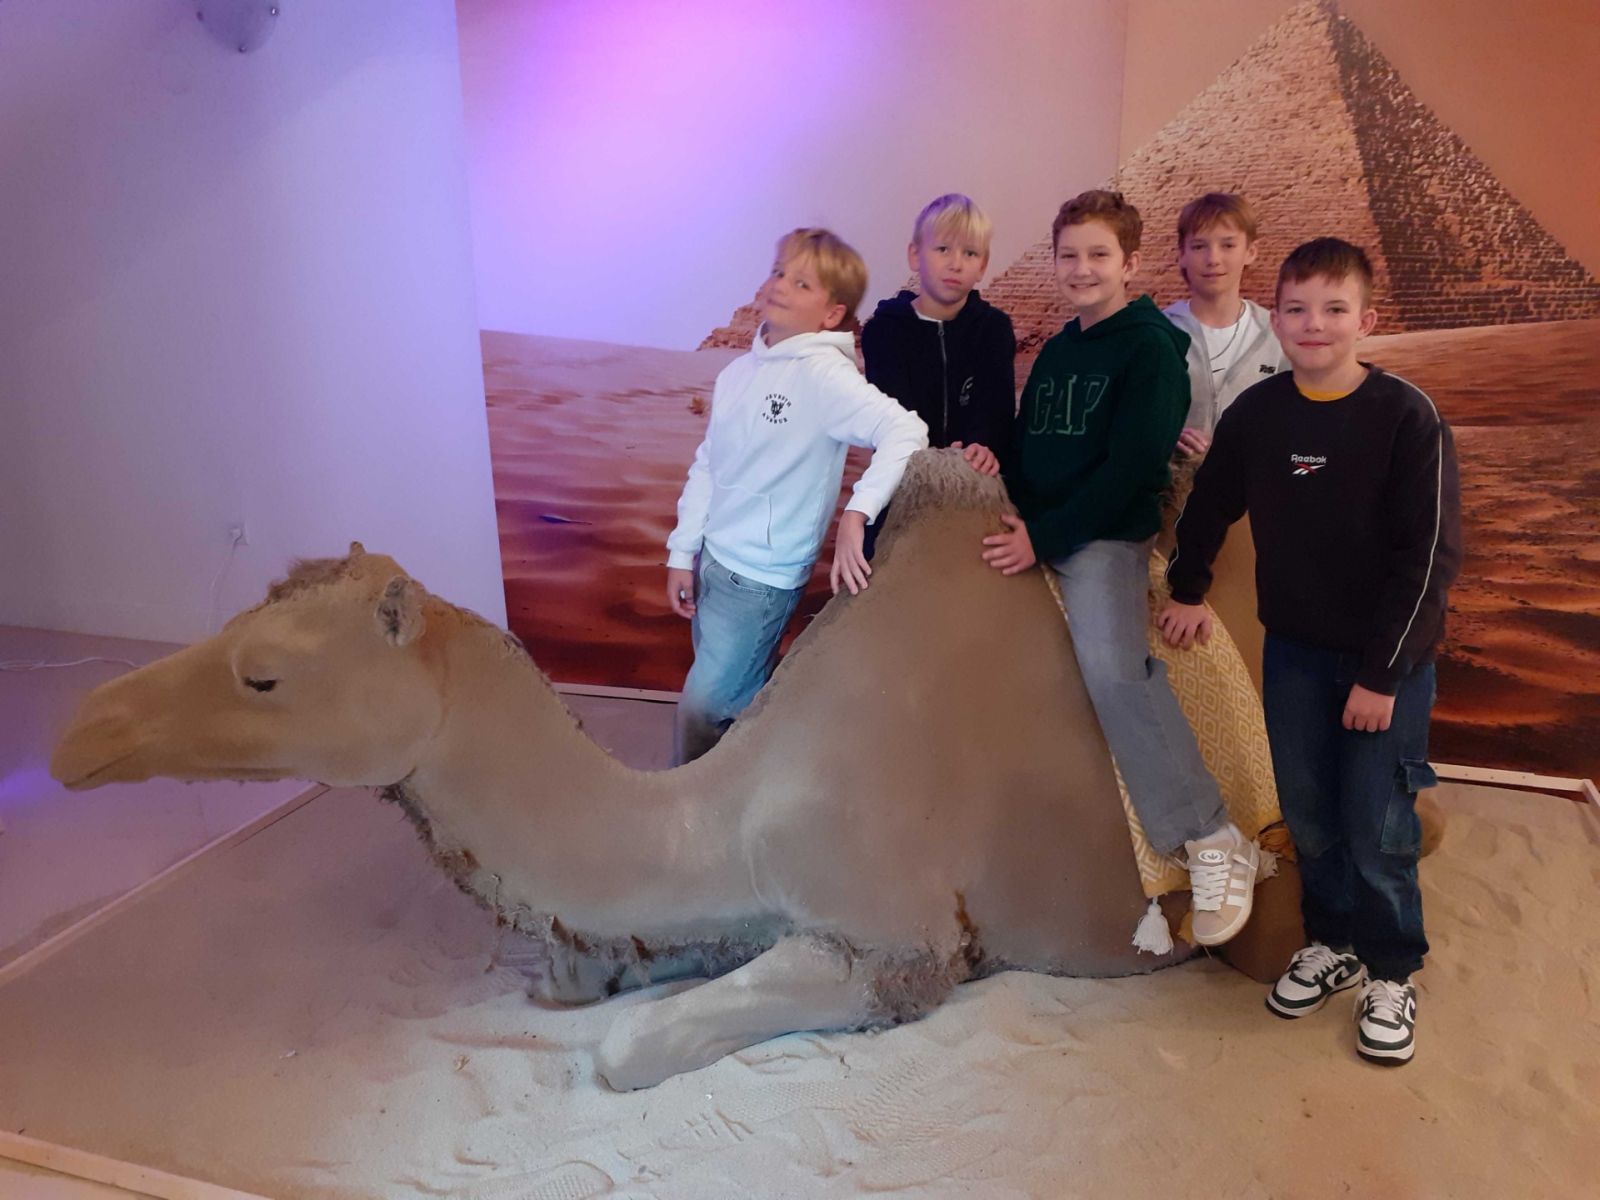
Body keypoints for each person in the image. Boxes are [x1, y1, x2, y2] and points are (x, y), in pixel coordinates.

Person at [1159, 237, 1462, 1065]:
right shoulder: (1258, 414)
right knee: (1311, 815)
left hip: (1383, 667)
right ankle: (1333, 943)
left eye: (1334, 309)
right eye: (1296, 308)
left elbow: (1428, 561)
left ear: (1368, 319)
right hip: (1292, 653)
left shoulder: (1407, 417)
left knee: (1378, 824)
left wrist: (1381, 676)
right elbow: (1211, 504)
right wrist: (1187, 586)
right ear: (1277, 317)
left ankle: (1391, 970)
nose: (1314, 324)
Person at [981, 190, 1259, 946]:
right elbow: (1028, 445)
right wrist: (1001, 492)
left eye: (1099, 255)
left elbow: (1132, 467)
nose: (1082, 269)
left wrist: (1044, 536)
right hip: (1038, 526)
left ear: (1131, 263)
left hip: (1102, 539)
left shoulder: (1151, 350)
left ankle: (1211, 835)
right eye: (1068, 255)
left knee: (1114, 671)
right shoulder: (1058, 349)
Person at [665, 228, 928, 764]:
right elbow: (709, 465)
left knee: (703, 707)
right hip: (714, 560)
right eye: (779, 271)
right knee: (737, 700)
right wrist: (682, 551)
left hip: (762, 580)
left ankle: (685, 797)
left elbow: (906, 430)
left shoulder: (825, 377)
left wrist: (858, 511)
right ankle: (744, 787)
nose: (780, 284)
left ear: (832, 314)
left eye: (801, 282)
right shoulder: (737, 374)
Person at [860, 192, 1016, 550]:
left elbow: (996, 409)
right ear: (915, 255)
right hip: (902, 480)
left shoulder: (994, 329)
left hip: (974, 479)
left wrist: (982, 446)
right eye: (943, 249)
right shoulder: (883, 331)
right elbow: (892, 415)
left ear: (983, 265)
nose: (956, 264)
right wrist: (937, 460)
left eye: (970, 253)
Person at [1162, 192, 1288, 457]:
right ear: (1182, 254)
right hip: (1171, 481)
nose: (1213, 259)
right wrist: (1163, 436)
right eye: (1199, 246)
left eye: (1228, 245)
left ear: (1250, 252)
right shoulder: (1158, 333)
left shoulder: (1277, 334)